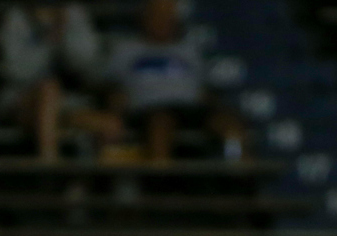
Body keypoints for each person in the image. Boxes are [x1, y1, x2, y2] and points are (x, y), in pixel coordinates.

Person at [103, 0, 245, 162]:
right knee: (161, 122)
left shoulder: (189, 50)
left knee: (230, 123)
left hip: (190, 108)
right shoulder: (126, 50)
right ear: (145, 18)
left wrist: (212, 104)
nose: (163, 22)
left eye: (168, 17)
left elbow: (204, 89)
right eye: (158, 16)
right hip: (148, 109)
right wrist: (115, 110)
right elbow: (111, 86)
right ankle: (160, 179)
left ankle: (240, 175)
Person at [0, 2, 120, 160]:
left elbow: (88, 62)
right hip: (24, 100)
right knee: (49, 89)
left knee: (110, 125)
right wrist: (49, 40)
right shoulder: (18, 17)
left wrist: (63, 32)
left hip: (69, 103)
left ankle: (86, 183)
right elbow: (17, 72)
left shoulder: (74, 13)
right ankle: (51, 166)